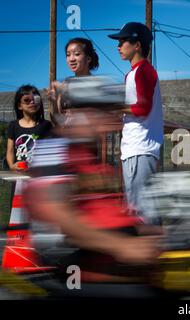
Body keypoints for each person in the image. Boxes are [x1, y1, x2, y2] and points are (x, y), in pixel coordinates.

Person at [23, 105, 162, 284]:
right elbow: (58, 217)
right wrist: (123, 246)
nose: (109, 122)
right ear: (82, 114)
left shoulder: (86, 153)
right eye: (101, 114)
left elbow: (104, 209)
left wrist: (148, 233)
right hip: (78, 266)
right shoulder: (55, 148)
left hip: (112, 257)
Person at [108, 22, 164, 223]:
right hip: (133, 147)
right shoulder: (132, 73)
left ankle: (155, 249)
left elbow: (142, 108)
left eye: (123, 41)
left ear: (137, 45)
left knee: (144, 208)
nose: (118, 46)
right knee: (136, 207)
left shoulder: (143, 71)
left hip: (141, 147)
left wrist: (116, 107)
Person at [47, 37, 100, 122]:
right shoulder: (66, 83)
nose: (71, 59)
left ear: (88, 58)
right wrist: (54, 101)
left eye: (77, 54)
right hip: (69, 133)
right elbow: (59, 120)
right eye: (68, 55)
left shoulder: (97, 83)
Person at [6, 85, 52, 171]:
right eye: (27, 100)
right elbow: (10, 150)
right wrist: (12, 166)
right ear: (19, 105)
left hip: (38, 177)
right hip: (19, 177)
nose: (32, 102)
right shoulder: (13, 125)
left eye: (36, 99)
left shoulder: (46, 125)